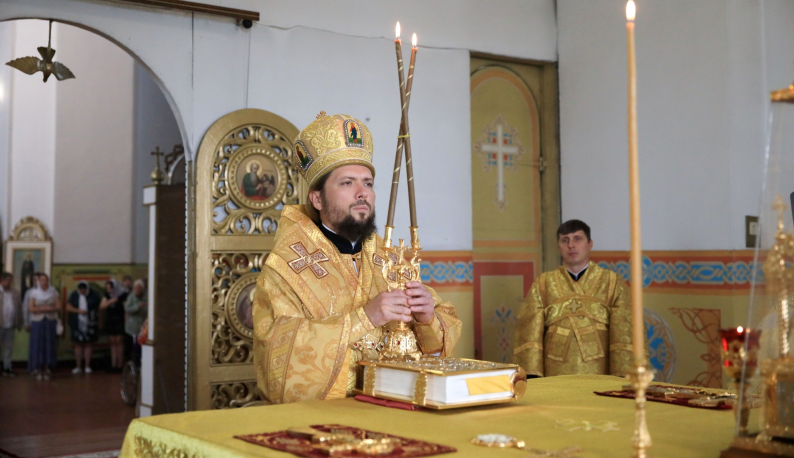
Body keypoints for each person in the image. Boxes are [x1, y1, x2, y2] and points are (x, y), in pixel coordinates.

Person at [253, 112, 462, 404]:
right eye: (347, 183)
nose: (362, 193)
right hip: (325, 421)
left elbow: (436, 349)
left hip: (397, 408)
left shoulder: (390, 258)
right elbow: (278, 358)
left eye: (368, 182)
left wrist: (427, 319)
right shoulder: (285, 268)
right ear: (317, 199)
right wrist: (365, 318)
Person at [513, 219, 635, 377]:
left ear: (590, 244)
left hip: (599, 371)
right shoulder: (543, 284)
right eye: (565, 240)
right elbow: (529, 330)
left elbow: (624, 331)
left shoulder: (612, 283)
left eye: (577, 239)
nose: (571, 245)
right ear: (559, 246)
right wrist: (532, 374)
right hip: (555, 373)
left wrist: (622, 374)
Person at [28, 273, 59, 381]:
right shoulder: (34, 293)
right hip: (37, 322)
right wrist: (43, 309)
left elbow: (58, 306)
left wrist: (47, 309)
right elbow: (31, 308)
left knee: (48, 344)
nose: (44, 282)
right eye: (42, 280)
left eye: (46, 280)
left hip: (50, 321)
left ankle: (47, 369)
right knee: (38, 344)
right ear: (38, 281)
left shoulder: (53, 292)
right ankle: (38, 370)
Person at [67, 281, 100, 374]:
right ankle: (78, 366)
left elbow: (99, 308)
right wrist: (79, 311)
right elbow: (68, 307)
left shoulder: (93, 295)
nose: (82, 290)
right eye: (81, 288)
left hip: (91, 322)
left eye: (84, 288)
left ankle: (87, 366)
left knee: (89, 344)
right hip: (77, 323)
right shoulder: (74, 295)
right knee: (78, 344)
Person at [0, 272, 23, 376]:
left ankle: (7, 368)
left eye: (11, 280)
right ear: (2, 280)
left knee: (9, 347)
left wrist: (19, 323)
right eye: (8, 280)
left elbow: (19, 308)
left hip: (10, 325)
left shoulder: (15, 292)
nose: (10, 282)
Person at [100, 280, 126, 372]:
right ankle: (113, 364)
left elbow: (125, 307)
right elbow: (102, 306)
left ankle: (120, 364)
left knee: (119, 341)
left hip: (120, 320)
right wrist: (111, 301)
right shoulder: (107, 296)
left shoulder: (122, 295)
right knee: (113, 342)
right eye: (107, 288)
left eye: (110, 288)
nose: (108, 290)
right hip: (111, 321)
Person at [124, 279, 147, 365]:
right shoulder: (131, 297)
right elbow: (127, 309)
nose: (137, 290)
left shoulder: (146, 297)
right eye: (135, 288)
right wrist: (137, 306)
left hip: (143, 327)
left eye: (139, 288)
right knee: (133, 347)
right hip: (132, 328)